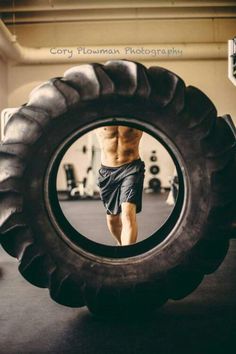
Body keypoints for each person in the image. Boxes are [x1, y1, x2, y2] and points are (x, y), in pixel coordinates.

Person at [96, 125, 145, 246]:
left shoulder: (137, 112)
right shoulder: (98, 113)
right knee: (112, 218)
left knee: (127, 214)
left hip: (131, 167)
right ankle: (120, 243)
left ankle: (127, 257)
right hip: (107, 171)